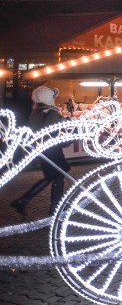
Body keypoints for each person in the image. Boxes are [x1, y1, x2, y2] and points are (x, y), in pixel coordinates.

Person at [10, 86, 71, 216]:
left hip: (42, 149)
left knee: (50, 176)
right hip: (52, 148)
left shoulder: (36, 111)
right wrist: (66, 121)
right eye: (51, 97)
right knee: (59, 176)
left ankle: (23, 200)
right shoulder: (51, 112)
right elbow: (50, 129)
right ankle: (55, 208)